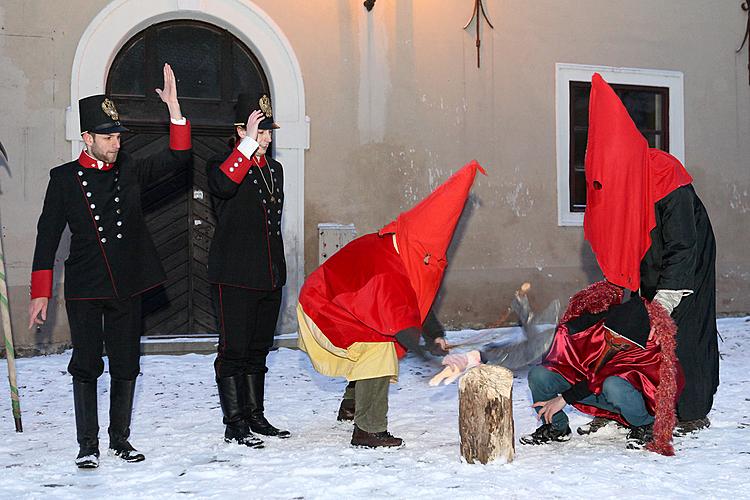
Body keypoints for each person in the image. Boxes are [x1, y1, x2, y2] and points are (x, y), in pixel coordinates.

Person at [28, 64, 191, 468]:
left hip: (128, 284)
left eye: (118, 136)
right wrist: (40, 292)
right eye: (107, 137)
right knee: (85, 366)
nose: (115, 144)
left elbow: (178, 158)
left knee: (126, 364)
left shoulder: (131, 170)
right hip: (85, 286)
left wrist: (173, 109)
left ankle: (120, 439)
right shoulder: (64, 179)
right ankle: (88, 445)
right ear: (87, 138)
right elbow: (46, 235)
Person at [297, 161, 484, 448]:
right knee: (379, 347)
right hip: (322, 310)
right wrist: (435, 356)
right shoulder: (388, 271)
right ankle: (368, 430)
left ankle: (353, 405)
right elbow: (402, 324)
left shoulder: (399, 248)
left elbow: (416, 300)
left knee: (372, 338)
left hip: (340, 304)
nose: (430, 265)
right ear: (417, 248)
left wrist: (435, 335)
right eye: (428, 259)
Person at [583, 73, 718, 435]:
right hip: (649, 257)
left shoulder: (664, 172)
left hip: (687, 257)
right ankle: (644, 399)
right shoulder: (616, 176)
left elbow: (683, 242)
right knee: (644, 328)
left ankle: (691, 410)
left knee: (683, 330)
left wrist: (671, 290)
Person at [441, 281, 684, 455]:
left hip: (628, 398)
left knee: (613, 384)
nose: (614, 343)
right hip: (592, 389)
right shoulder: (586, 329)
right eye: (611, 335)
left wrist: (563, 398)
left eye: (622, 342)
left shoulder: (646, 348)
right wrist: (475, 356)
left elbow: (601, 378)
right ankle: (556, 428)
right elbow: (533, 348)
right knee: (540, 374)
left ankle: (643, 427)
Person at [205, 92, 289, 449]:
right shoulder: (221, 164)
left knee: (259, 349)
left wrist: (277, 271)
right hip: (234, 276)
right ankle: (234, 422)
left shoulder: (275, 169)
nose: (268, 138)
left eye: (269, 132)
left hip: (268, 275)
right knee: (234, 350)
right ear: (241, 131)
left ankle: (255, 414)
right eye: (261, 131)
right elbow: (223, 186)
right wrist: (246, 147)